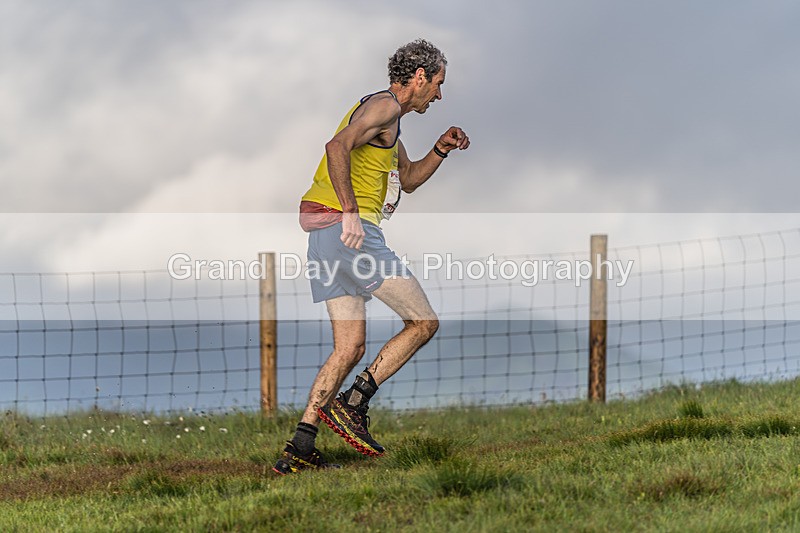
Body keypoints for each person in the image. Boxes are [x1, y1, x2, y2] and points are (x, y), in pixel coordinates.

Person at [273, 39, 470, 475]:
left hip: (326, 240)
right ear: (419, 77)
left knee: (348, 348)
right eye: (437, 84)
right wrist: (350, 213)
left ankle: (300, 447)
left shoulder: (386, 121)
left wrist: (440, 148)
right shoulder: (383, 109)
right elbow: (335, 147)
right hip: (351, 234)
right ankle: (354, 403)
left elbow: (410, 179)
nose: (438, 94)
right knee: (423, 322)